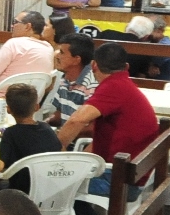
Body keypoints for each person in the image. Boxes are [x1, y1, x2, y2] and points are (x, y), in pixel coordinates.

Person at [56, 42, 159, 199]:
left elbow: (76, 120)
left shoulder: (114, 87)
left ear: (94, 65)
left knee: (47, 180)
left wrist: (55, 148)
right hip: (130, 172)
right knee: (59, 176)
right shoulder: (124, 84)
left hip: (118, 179)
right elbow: (103, 136)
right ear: (126, 66)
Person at [0, 84, 60, 191]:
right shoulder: (47, 129)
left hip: (21, 191)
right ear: (37, 107)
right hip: (49, 188)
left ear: (8, 109)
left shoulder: (11, 133)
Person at [0, 11, 53, 93]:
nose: (12, 26)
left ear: (27, 26)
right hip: (31, 101)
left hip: (0, 100)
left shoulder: (14, 43)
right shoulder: (48, 48)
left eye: (15, 22)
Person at [41, 31, 96, 127]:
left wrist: (62, 135)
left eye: (61, 52)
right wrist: (42, 126)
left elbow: (92, 128)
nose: (57, 55)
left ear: (76, 60)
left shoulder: (91, 85)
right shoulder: (65, 78)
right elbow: (59, 115)